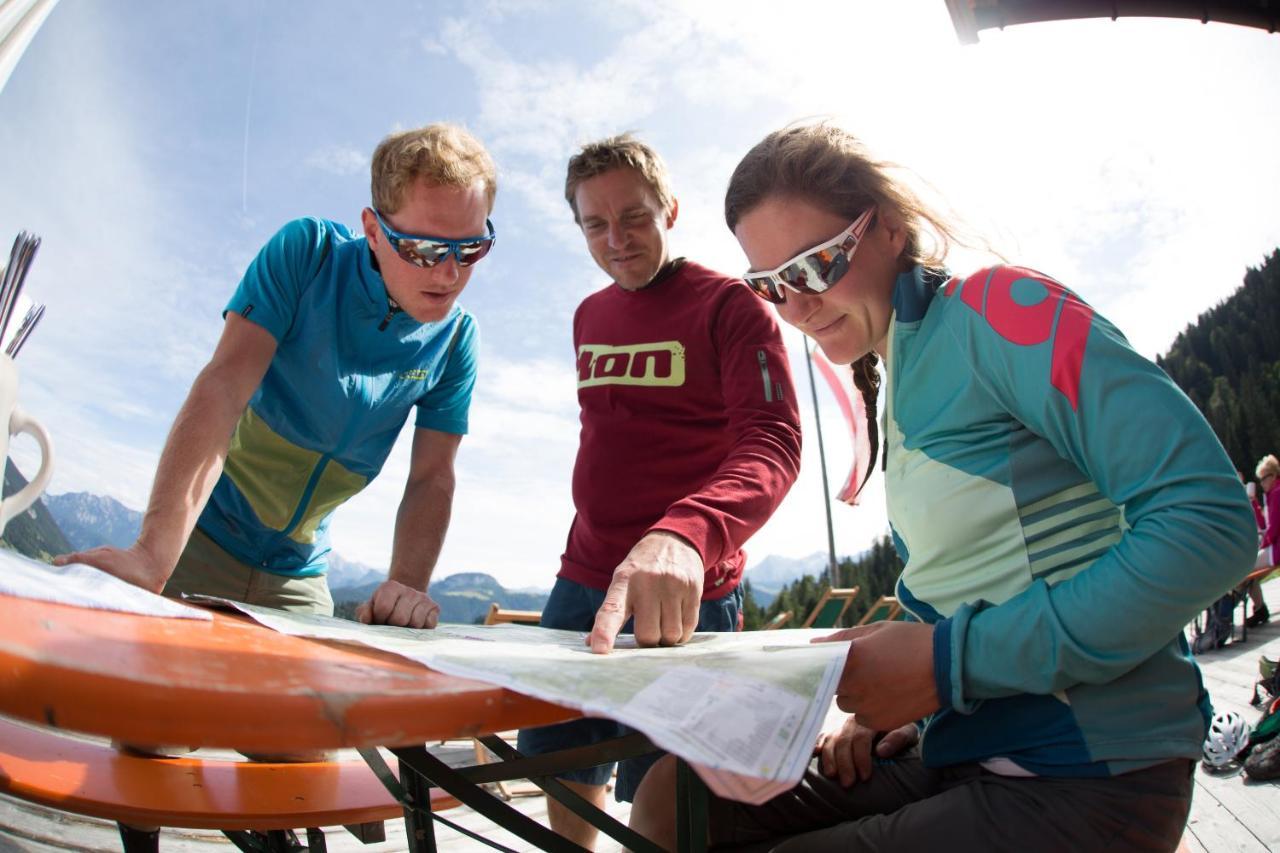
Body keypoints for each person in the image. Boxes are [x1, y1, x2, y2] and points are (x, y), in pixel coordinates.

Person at [630, 123, 1257, 852]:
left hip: (1090, 769)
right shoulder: (902, 370)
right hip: (964, 741)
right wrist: (902, 705)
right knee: (675, 798)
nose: (795, 306)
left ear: (889, 229)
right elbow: (972, 577)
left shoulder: (1001, 310)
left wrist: (945, 665)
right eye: (770, 286)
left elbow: (1209, 523)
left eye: (815, 265)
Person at [56, 123, 496, 629]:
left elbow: (431, 477)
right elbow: (224, 386)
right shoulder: (308, 254)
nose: (450, 274)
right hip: (200, 538)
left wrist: (407, 587)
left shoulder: (458, 339)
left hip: (299, 573)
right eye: (425, 249)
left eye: (471, 249)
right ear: (374, 231)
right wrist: (153, 554)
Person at [515, 134, 802, 848]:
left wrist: (686, 535)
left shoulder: (734, 306)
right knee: (563, 771)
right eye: (595, 224)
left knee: (666, 812)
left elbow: (773, 443)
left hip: (689, 592)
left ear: (670, 210)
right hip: (581, 583)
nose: (617, 239)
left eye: (635, 217)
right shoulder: (588, 316)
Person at [1246, 453, 1279, 627]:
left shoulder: (1278, 493)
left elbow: (1273, 530)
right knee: (1247, 572)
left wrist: (1262, 545)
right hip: (1274, 546)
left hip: (1277, 549)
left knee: (1246, 569)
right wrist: (1253, 502)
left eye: (1264, 478)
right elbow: (1264, 525)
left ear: (1273, 475)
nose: (1262, 483)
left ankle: (1259, 609)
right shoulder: (1272, 494)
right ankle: (1259, 609)